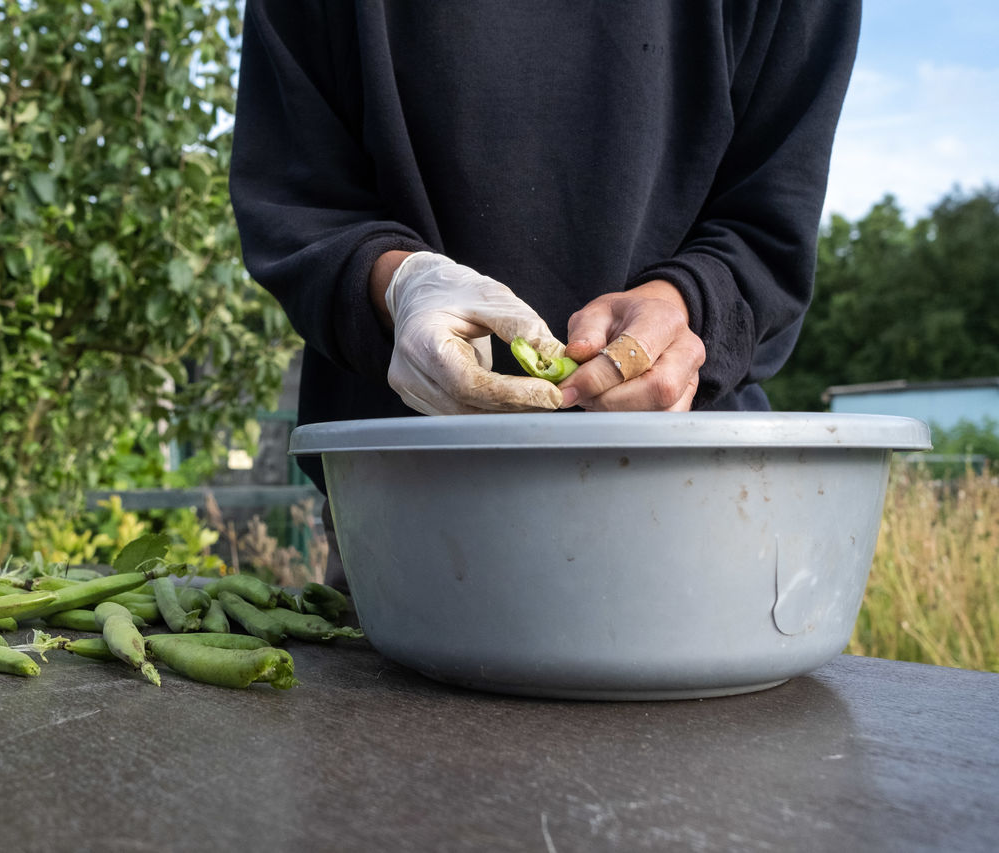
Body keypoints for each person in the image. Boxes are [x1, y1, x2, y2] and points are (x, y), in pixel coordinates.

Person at [228, 2, 861, 583]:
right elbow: (296, 199)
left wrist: (682, 303)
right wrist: (398, 284)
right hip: (411, 526)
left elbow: (770, 225)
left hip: (694, 512)